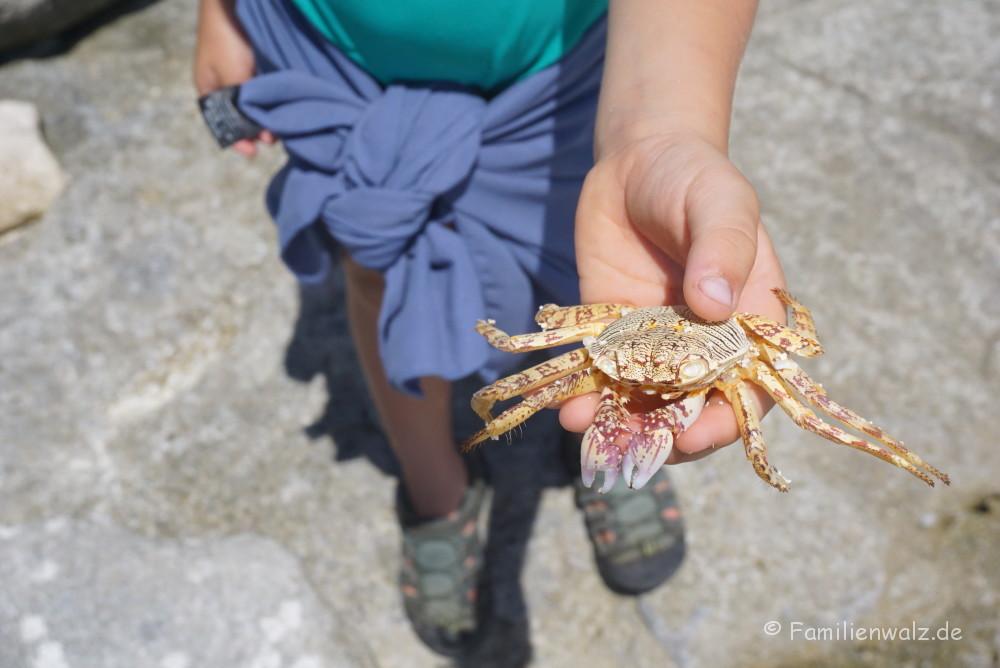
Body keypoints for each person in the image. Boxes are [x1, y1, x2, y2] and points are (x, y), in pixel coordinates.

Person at [194, 0, 787, 657]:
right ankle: (435, 488)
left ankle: (614, 440)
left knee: (599, 256)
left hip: (565, 60)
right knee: (378, 264)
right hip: (335, 47)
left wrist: (663, 134)